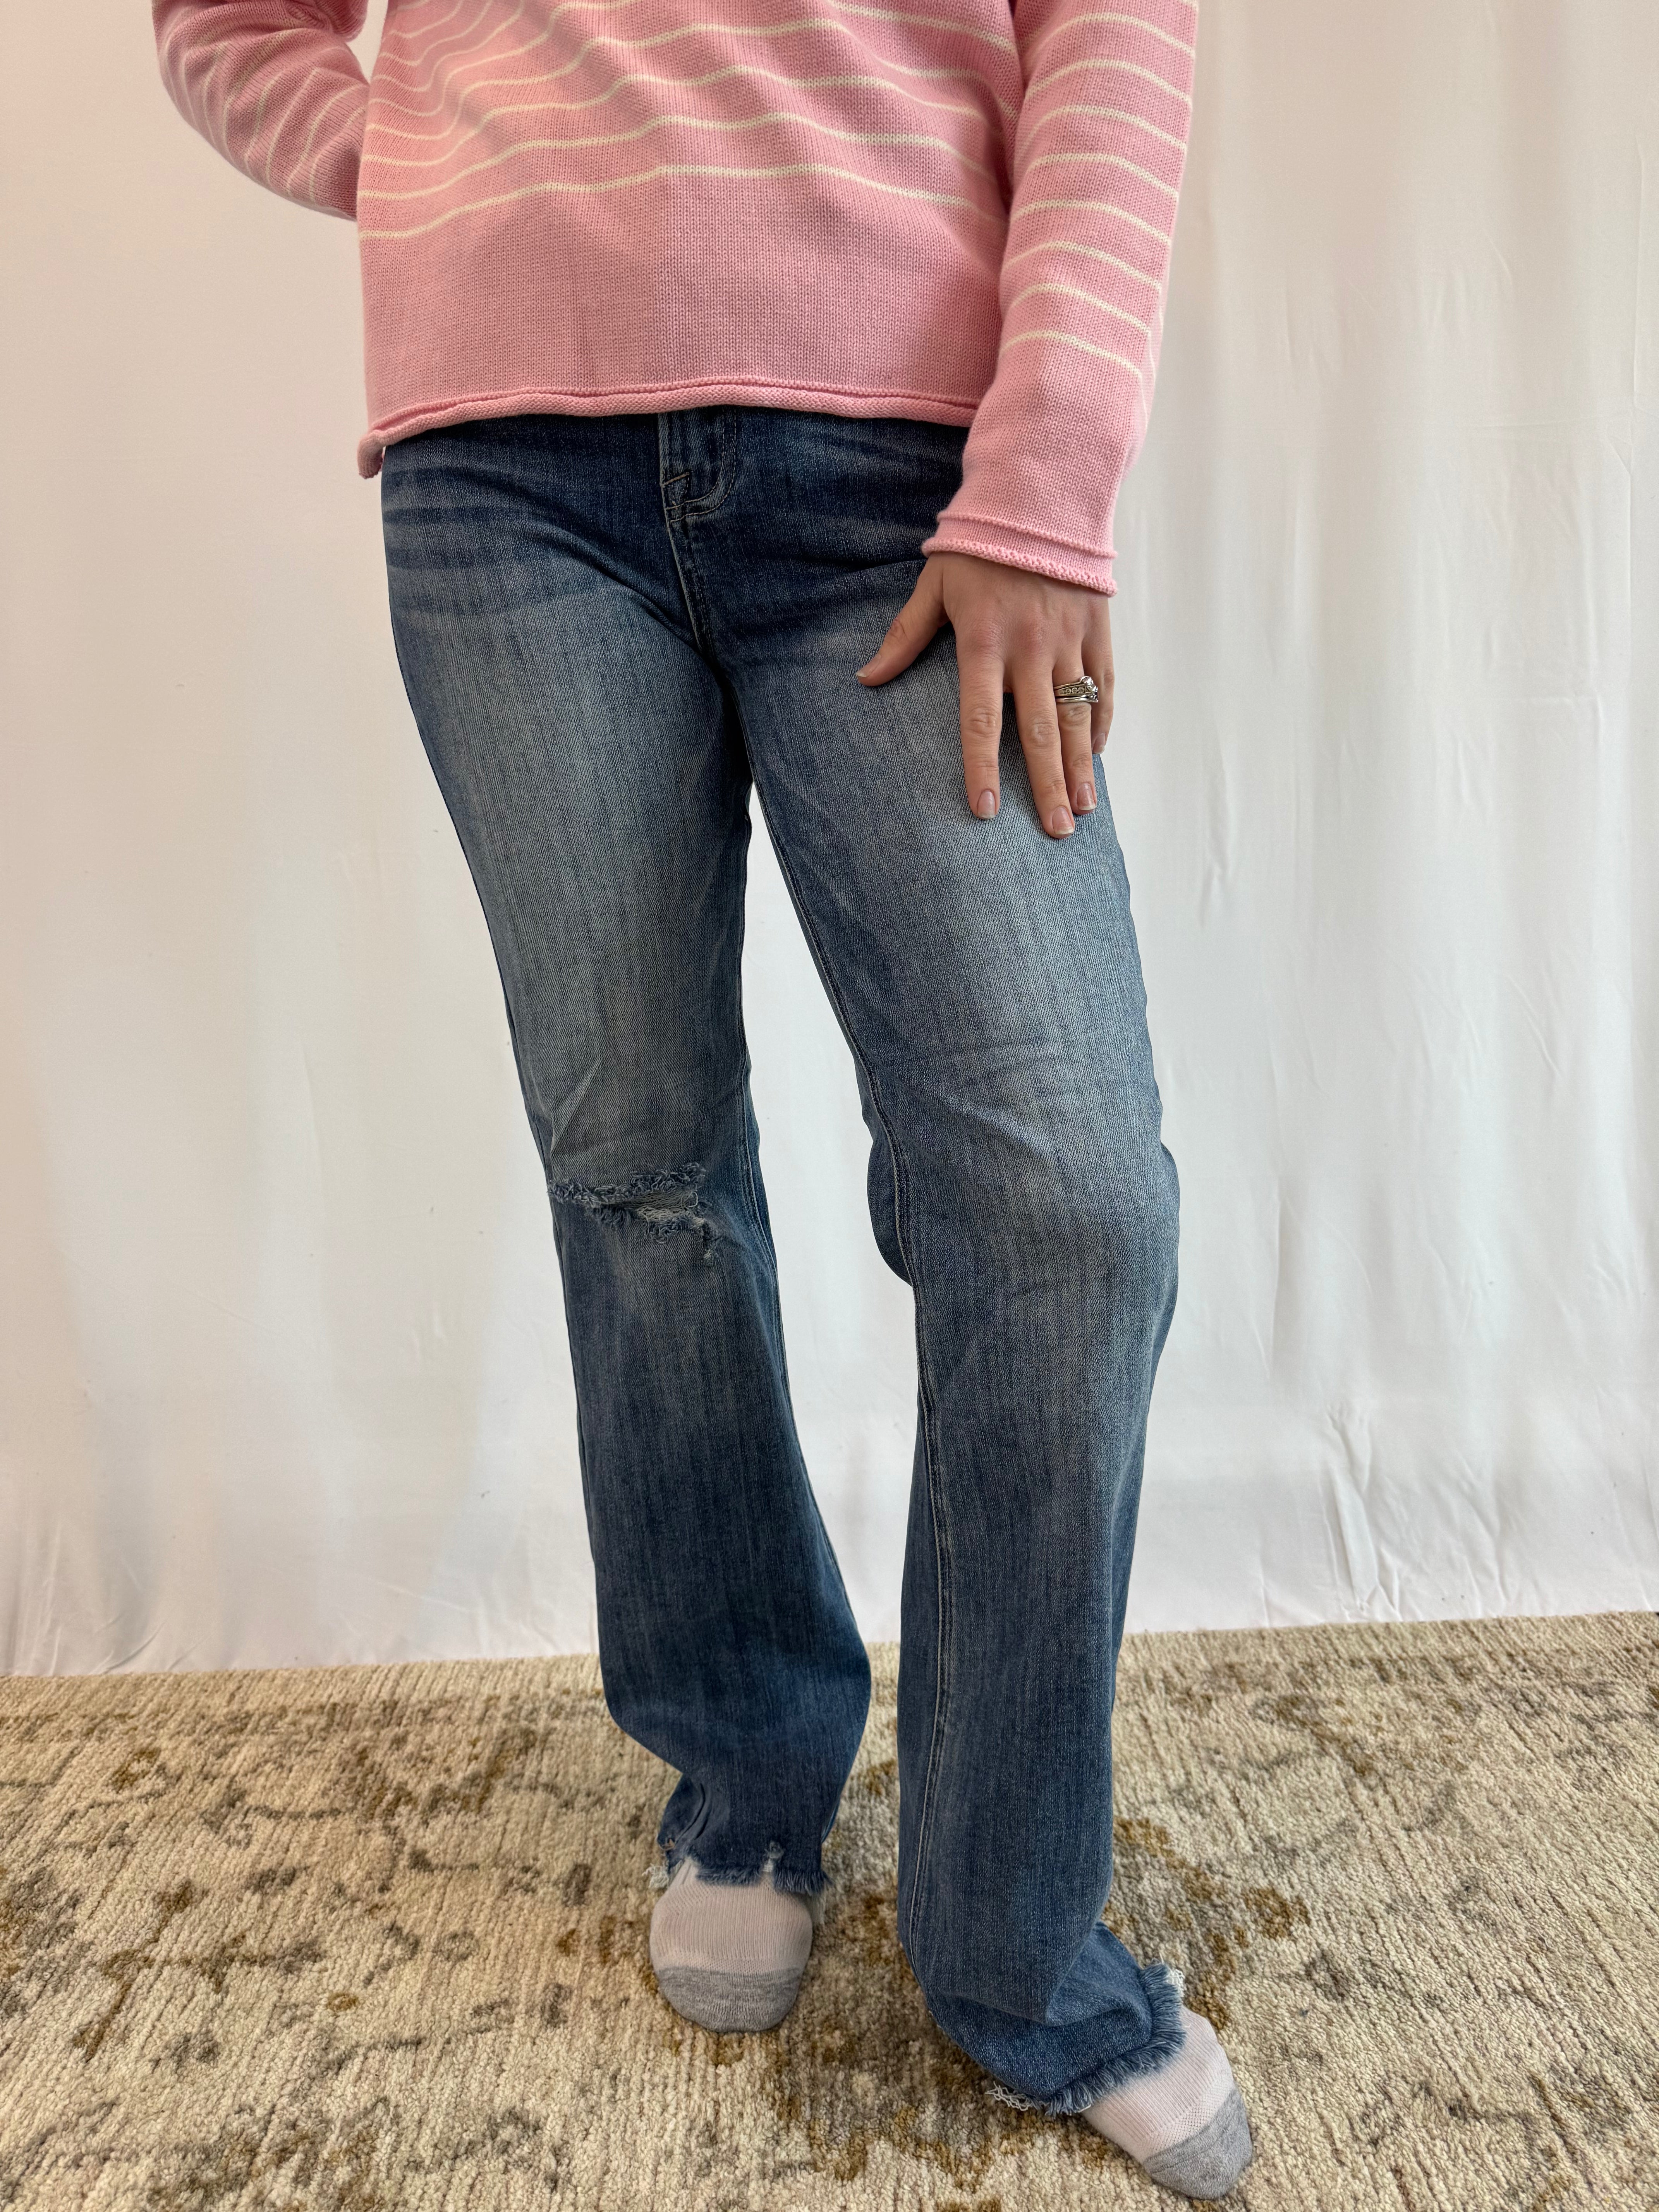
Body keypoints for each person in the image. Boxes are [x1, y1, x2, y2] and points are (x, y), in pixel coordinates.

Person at [153, 0, 1251, 2195]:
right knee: (637, 1157)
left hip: (911, 460)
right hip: (507, 486)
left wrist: (1049, 469)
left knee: (1065, 1206)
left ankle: (1011, 1930)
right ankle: (747, 1763)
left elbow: (1115, 31)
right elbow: (226, 26)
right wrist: (437, 177)